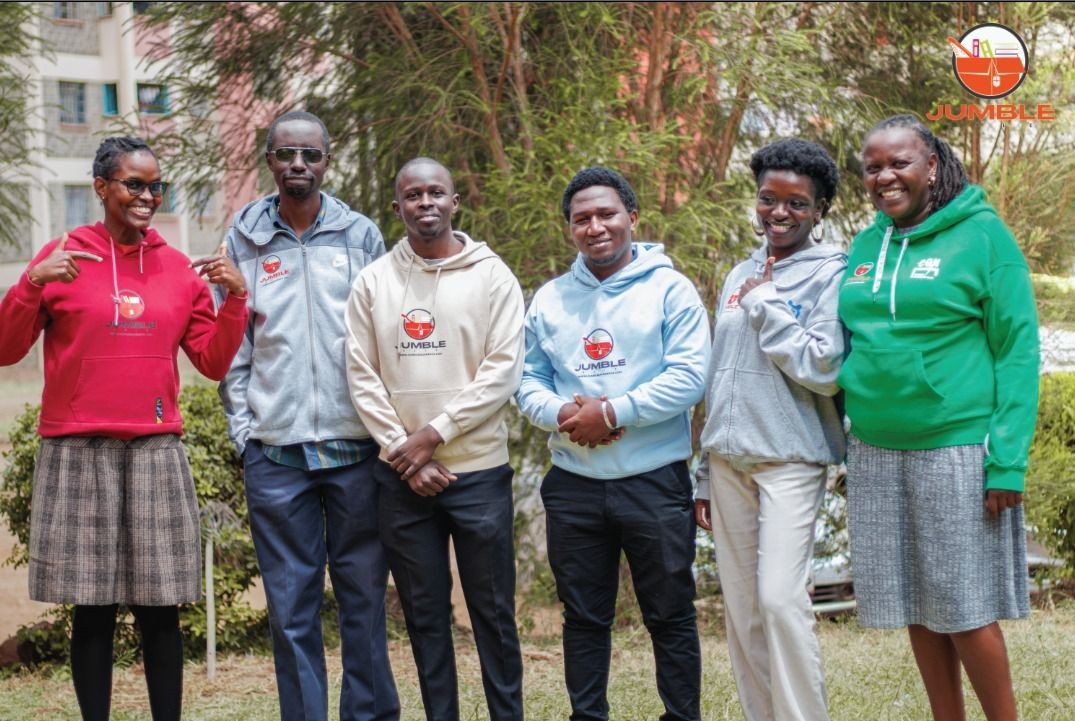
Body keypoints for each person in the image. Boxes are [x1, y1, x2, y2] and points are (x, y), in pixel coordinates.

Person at [0, 136, 248, 721]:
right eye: (133, 184)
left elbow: (211, 362)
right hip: (76, 446)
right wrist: (31, 283)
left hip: (155, 448)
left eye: (155, 185)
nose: (147, 196)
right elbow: (7, 351)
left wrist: (235, 300)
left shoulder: (179, 269)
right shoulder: (61, 256)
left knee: (161, 607)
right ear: (101, 187)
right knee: (93, 607)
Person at [838, 114, 1039, 721]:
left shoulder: (982, 236)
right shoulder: (868, 242)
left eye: (898, 162)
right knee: (913, 604)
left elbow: (1018, 349)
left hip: (955, 446)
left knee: (964, 604)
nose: (884, 176)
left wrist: (1007, 460)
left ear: (931, 164)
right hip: (875, 449)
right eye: (872, 166)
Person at [218, 111, 399, 721]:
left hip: (356, 454)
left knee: (363, 601)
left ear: (327, 160)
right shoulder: (242, 238)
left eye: (311, 155)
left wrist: (384, 432)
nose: (299, 165)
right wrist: (246, 435)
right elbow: (231, 349)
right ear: (269, 160)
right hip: (277, 456)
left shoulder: (362, 236)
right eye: (286, 154)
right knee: (291, 608)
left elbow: (382, 339)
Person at [516, 166, 711, 721]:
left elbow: (690, 377)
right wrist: (563, 414)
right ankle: (588, 715)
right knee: (582, 616)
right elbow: (526, 380)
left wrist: (612, 412)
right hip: (574, 486)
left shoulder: (670, 289)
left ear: (632, 218)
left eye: (606, 214)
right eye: (582, 219)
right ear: (569, 229)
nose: (595, 227)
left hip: (654, 481)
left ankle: (681, 715)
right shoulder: (551, 298)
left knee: (669, 613)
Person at [344, 157, 526, 721]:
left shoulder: (493, 275)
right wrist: (406, 452)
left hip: (479, 474)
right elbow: (360, 372)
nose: (426, 203)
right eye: (413, 195)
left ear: (454, 203)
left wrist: (434, 435)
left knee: (493, 614)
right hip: (403, 482)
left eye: (436, 193)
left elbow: (502, 370)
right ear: (397, 207)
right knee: (425, 617)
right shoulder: (374, 281)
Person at [693, 138, 844, 721]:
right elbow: (720, 375)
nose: (778, 213)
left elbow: (826, 368)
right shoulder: (740, 271)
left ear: (820, 209)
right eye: (767, 199)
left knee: (781, 601)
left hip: (790, 458)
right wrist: (704, 472)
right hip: (729, 463)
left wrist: (769, 305)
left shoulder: (833, 274)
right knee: (744, 610)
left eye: (796, 204)